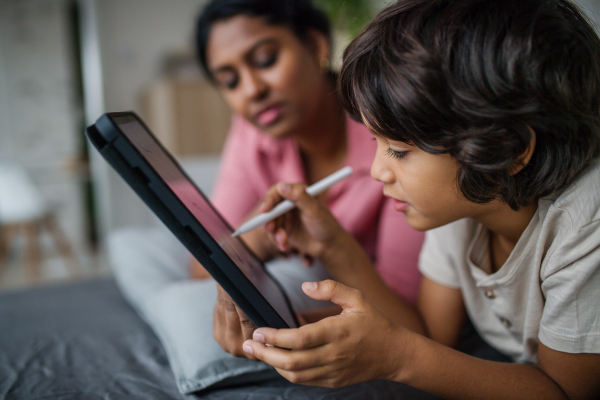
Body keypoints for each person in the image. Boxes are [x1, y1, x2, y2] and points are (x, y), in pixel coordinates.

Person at [236, 0, 600, 398]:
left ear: (507, 149)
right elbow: (428, 333)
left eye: (399, 150)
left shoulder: (585, 224)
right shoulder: (466, 200)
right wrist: (326, 256)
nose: (377, 171)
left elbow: (565, 393)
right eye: (375, 142)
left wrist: (397, 357)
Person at [191, 0, 426, 355]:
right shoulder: (252, 131)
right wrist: (258, 240)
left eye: (266, 59)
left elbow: (409, 320)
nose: (251, 90)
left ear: (316, 46)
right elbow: (200, 267)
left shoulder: (391, 135)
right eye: (230, 80)